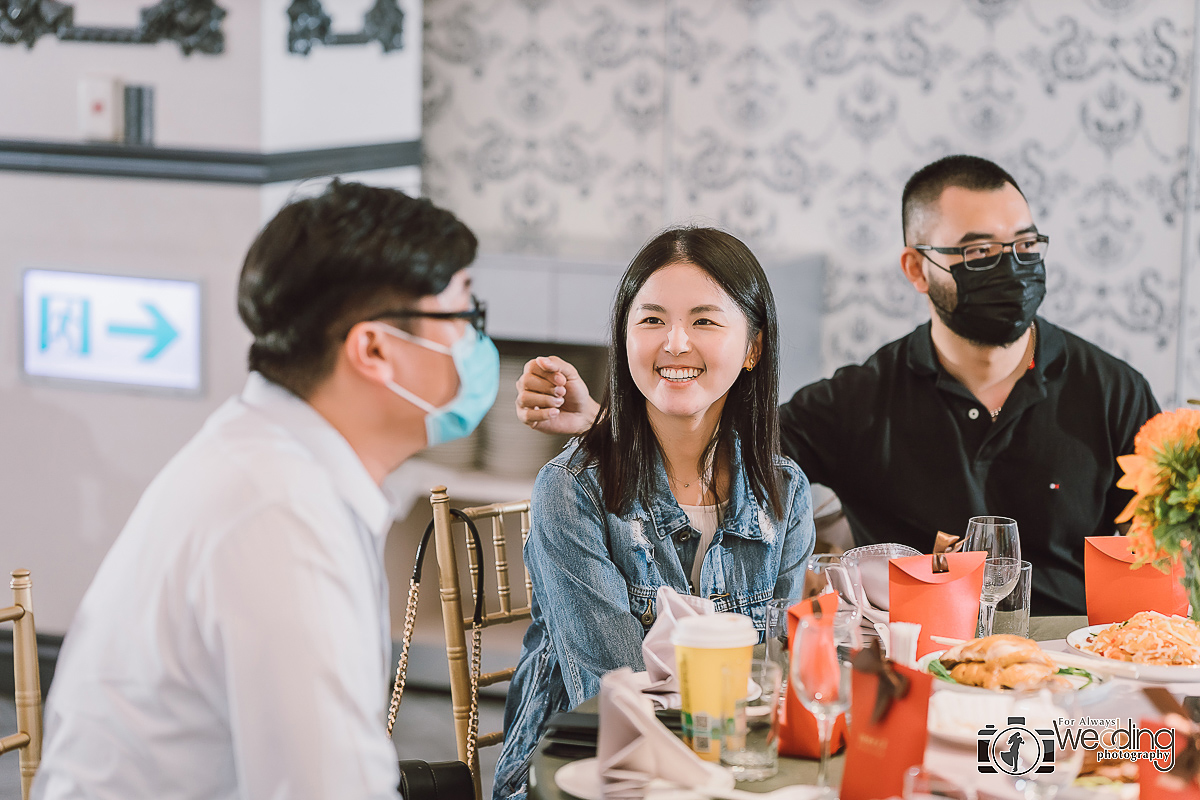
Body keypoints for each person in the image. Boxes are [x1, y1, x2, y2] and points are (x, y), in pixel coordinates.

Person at [514, 155, 1159, 616]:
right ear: (916, 268)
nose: (1011, 270)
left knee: (1152, 754)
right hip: (920, 679)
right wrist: (603, 422)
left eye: (1026, 247)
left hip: (1078, 678)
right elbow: (716, 444)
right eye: (980, 255)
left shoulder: (1114, 393)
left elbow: (1160, 567)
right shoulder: (859, 401)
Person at [34, 181, 499, 799]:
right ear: (375, 349)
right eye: (464, 315)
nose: (476, 343)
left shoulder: (273, 460)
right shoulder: (279, 515)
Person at [492, 227, 815, 800]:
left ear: (752, 348)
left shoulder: (783, 493)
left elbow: (778, 676)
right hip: (588, 773)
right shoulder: (571, 492)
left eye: (705, 321)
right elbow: (613, 691)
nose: (675, 343)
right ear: (623, 337)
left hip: (733, 766)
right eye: (651, 319)